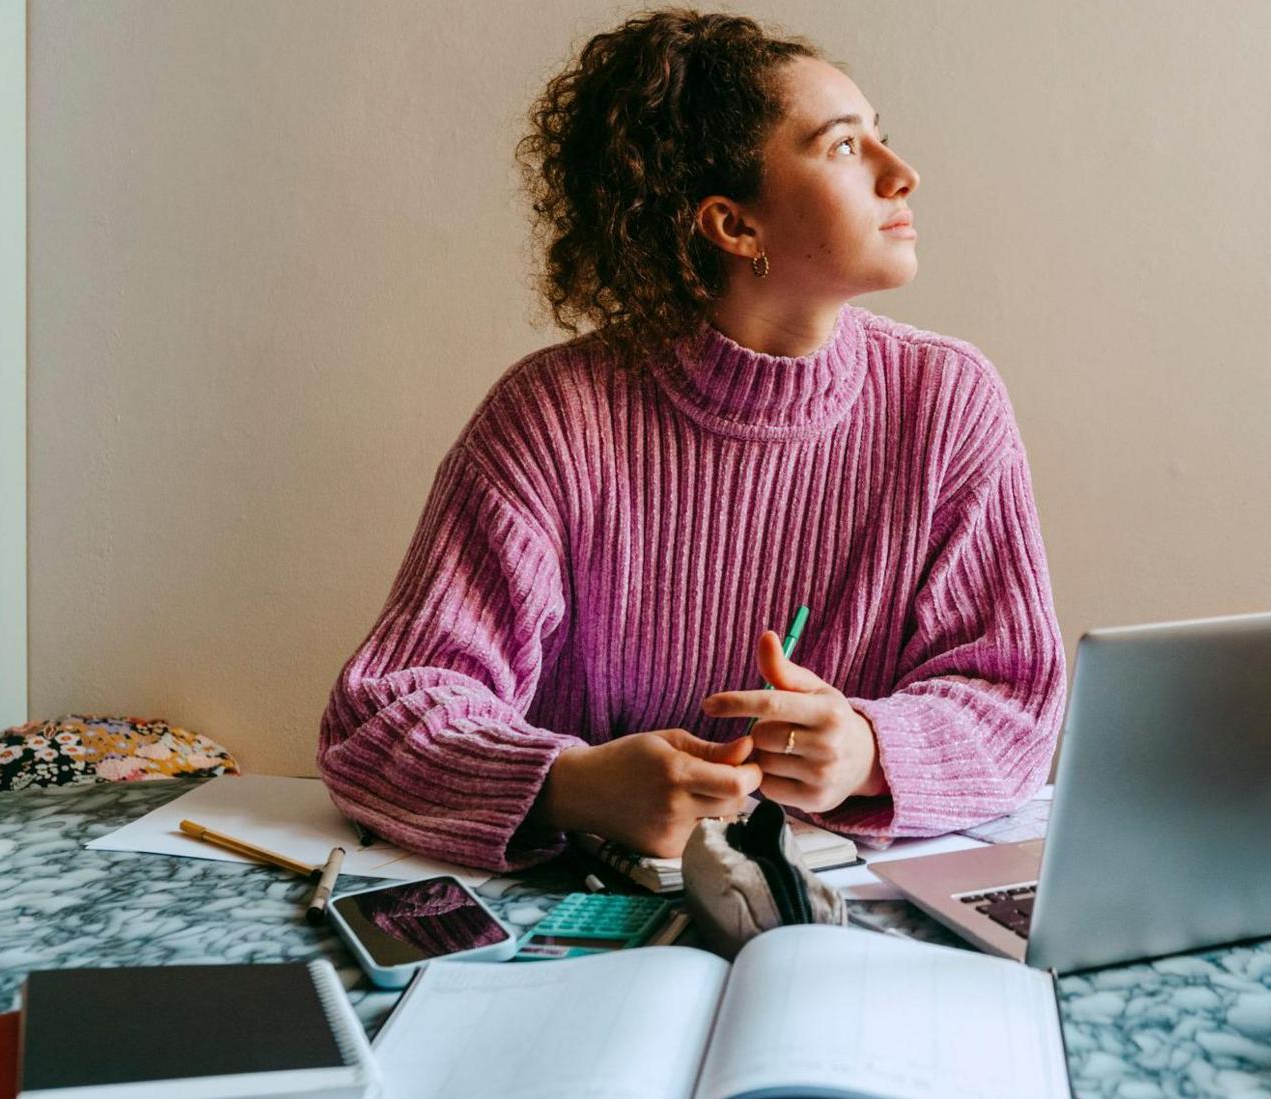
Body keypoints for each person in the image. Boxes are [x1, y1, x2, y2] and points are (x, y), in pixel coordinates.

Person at [318, 8, 1066, 871]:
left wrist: (867, 748)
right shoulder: (555, 417)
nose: (903, 175)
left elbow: (1015, 702)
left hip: (841, 927)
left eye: (881, 138)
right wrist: (574, 783)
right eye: (844, 147)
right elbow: (378, 718)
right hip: (583, 922)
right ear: (734, 226)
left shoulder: (947, 401)